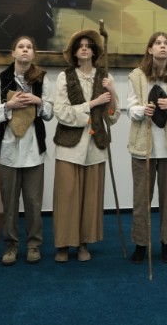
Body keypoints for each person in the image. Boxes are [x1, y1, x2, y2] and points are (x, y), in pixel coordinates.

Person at [51, 30, 120, 262]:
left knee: (89, 200)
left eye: (89, 45)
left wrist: (112, 92)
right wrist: (92, 103)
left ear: (95, 51)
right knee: (67, 197)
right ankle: (63, 244)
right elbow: (61, 112)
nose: (84, 48)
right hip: (69, 146)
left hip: (95, 146)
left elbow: (112, 117)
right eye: (80, 45)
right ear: (74, 52)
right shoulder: (65, 76)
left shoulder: (104, 76)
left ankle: (82, 243)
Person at [0, 36, 53, 265]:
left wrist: (39, 101)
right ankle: (11, 246)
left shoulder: (42, 79)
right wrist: (9, 106)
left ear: (34, 53)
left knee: (34, 202)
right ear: (13, 53)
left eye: (29, 47)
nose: (25, 50)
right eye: (21, 47)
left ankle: (34, 245)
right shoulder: (1, 79)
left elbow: (50, 113)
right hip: (8, 150)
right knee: (10, 202)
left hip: (34, 150)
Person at [126, 32, 167, 264]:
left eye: (166, 44)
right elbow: (130, 108)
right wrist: (143, 110)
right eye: (158, 43)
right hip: (142, 147)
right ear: (150, 49)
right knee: (141, 199)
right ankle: (141, 244)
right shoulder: (137, 76)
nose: (162, 47)